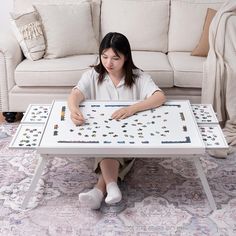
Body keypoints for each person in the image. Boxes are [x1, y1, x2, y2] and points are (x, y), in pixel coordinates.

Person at [68, 32, 166, 210]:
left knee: (112, 149)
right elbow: (75, 94)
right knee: (105, 146)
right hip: (101, 136)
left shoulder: (139, 77)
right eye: (104, 57)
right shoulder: (92, 75)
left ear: (126, 58)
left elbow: (160, 97)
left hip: (129, 137)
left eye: (115, 58)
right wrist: (74, 109)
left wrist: (131, 109)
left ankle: (99, 190)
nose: (108, 63)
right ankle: (110, 187)